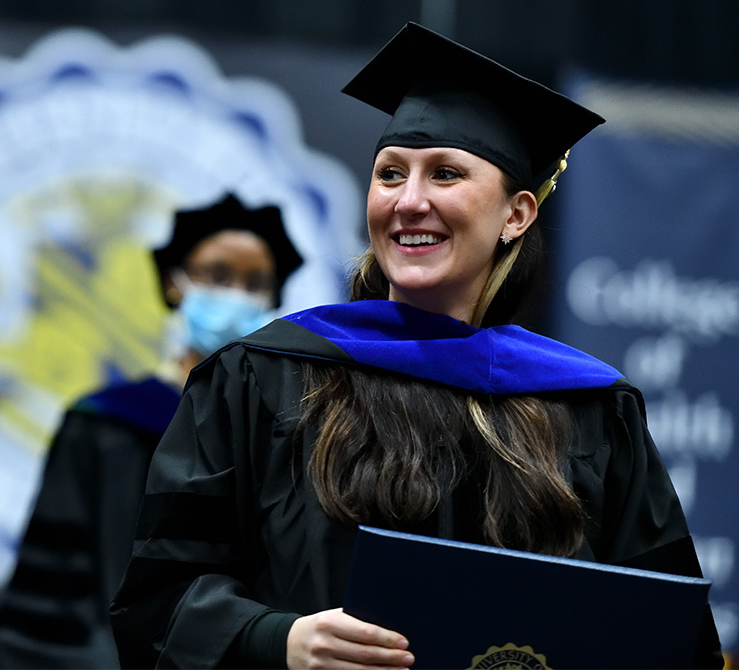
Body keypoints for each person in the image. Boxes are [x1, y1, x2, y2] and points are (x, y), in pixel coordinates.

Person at [108, 22, 724, 669]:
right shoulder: (260, 379)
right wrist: (274, 639)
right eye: (391, 174)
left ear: (516, 214)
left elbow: (670, 638)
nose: (409, 201)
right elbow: (155, 606)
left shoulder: (592, 409)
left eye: (446, 174)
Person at [0, 193, 303, 668]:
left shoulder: (283, 432)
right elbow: (54, 596)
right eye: (218, 275)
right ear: (174, 284)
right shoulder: (103, 424)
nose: (237, 294)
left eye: (256, 283)